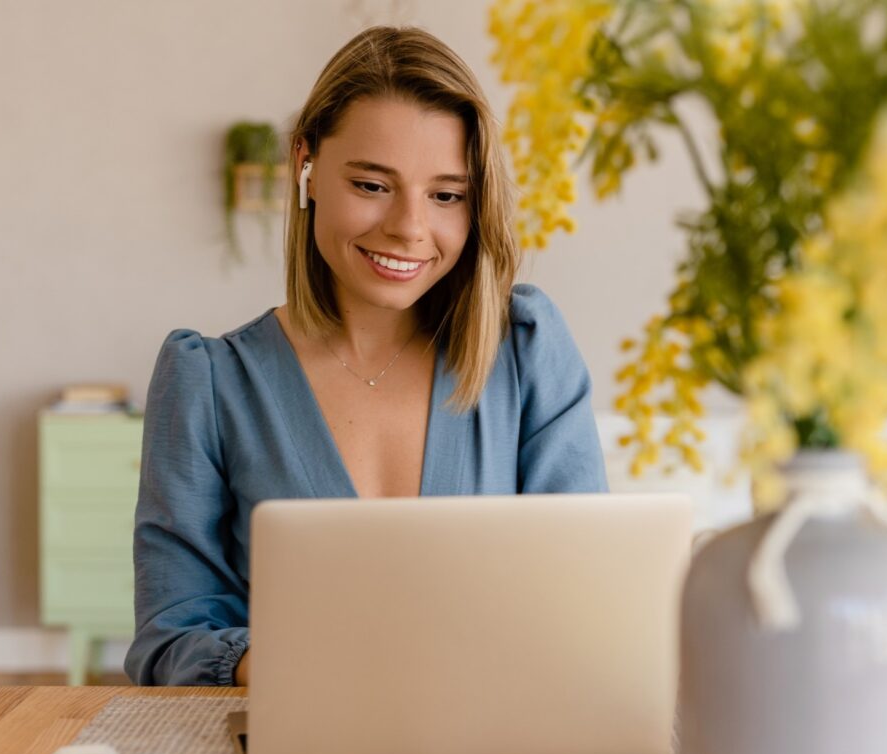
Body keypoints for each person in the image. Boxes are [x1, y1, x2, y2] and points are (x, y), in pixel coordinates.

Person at [124, 25, 609, 688]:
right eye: (373, 185)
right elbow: (169, 636)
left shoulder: (526, 351)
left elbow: (585, 595)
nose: (409, 227)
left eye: (446, 195)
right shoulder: (208, 383)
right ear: (306, 166)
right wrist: (276, 665)